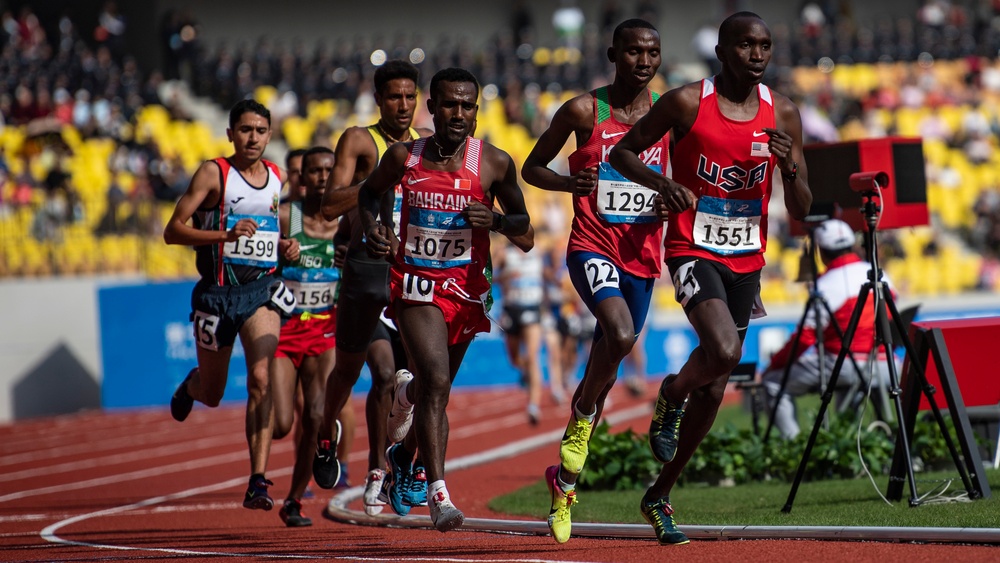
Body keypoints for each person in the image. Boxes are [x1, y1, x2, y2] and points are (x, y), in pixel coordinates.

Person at [608, 11, 813, 545]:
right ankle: (672, 392)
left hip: (747, 256)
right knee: (722, 352)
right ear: (723, 51)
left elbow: (802, 209)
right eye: (746, 45)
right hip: (692, 247)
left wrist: (790, 169)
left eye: (765, 44)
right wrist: (664, 183)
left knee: (719, 384)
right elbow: (622, 152)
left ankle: (659, 494)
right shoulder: (684, 102)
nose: (758, 53)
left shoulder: (783, 113)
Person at [361, 67, 532, 532]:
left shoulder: (494, 163)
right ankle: (438, 494)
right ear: (431, 108)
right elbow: (369, 193)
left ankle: (404, 417)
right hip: (416, 284)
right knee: (436, 380)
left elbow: (527, 232)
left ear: (477, 111)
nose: (459, 113)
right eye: (449, 104)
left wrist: (494, 221)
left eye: (467, 105)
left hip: (467, 292)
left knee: (434, 388)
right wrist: (376, 229)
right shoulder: (403, 157)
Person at [521, 18, 668, 544]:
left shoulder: (668, 113)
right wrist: (568, 182)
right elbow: (531, 168)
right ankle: (582, 418)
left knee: (608, 362)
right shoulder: (584, 111)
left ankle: (563, 485)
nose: (644, 61)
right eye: (633, 52)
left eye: (652, 52)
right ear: (614, 53)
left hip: (643, 256)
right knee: (621, 335)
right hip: (591, 246)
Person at [164, 99, 300, 511]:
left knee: (260, 377)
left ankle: (257, 480)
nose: (253, 138)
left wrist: (286, 247)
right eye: (245, 130)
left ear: (270, 135)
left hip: (261, 291)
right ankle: (192, 385)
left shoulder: (277, 177)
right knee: (214, 393)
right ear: (230, 134)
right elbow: (173, 231)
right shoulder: (214, 173)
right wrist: (224, 236)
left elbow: (275, 236)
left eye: (260, 131)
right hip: (216, 294)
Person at [311, 60, 430, 518]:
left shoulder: (426, 147)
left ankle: (382, 470)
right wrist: (378, 180)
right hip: (365, 271)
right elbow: (328, 205)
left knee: (404, 376)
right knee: (347, 371)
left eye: (409, 97)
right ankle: (326, 433)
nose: (403, 105)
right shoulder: (360, 140)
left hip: (409, 270)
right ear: (379, 99)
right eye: (394, 97)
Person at [762, 218, 894, 439]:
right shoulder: (879, 273)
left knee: (773, 382)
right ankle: (855, 443)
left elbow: (804, 339)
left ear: (821, 251)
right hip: (886, 366)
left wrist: (774, 365)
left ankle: (794, 445)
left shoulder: (825, 284)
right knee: (847, 385)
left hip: (844, 366)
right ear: (852, 245)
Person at [268, 146, 344, 526]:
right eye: (315, 171)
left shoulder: (346, 222)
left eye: (330, 170)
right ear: (302, 176)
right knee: (283, 423)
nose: (323, 178)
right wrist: (279, 253)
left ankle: (294, 501)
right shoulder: (288, 217)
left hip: (324, 330)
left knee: (314, 416)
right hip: (286, 331)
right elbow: (252, 256)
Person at [493, 235, 545, 424]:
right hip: (511, 309)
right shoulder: (505, 254)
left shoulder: (538, 252)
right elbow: (489, 277)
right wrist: (504, 276)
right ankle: (525, 373)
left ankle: (533, 405)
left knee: (532, 357)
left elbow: (545, 277)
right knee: (515, 359)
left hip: (532, 307)